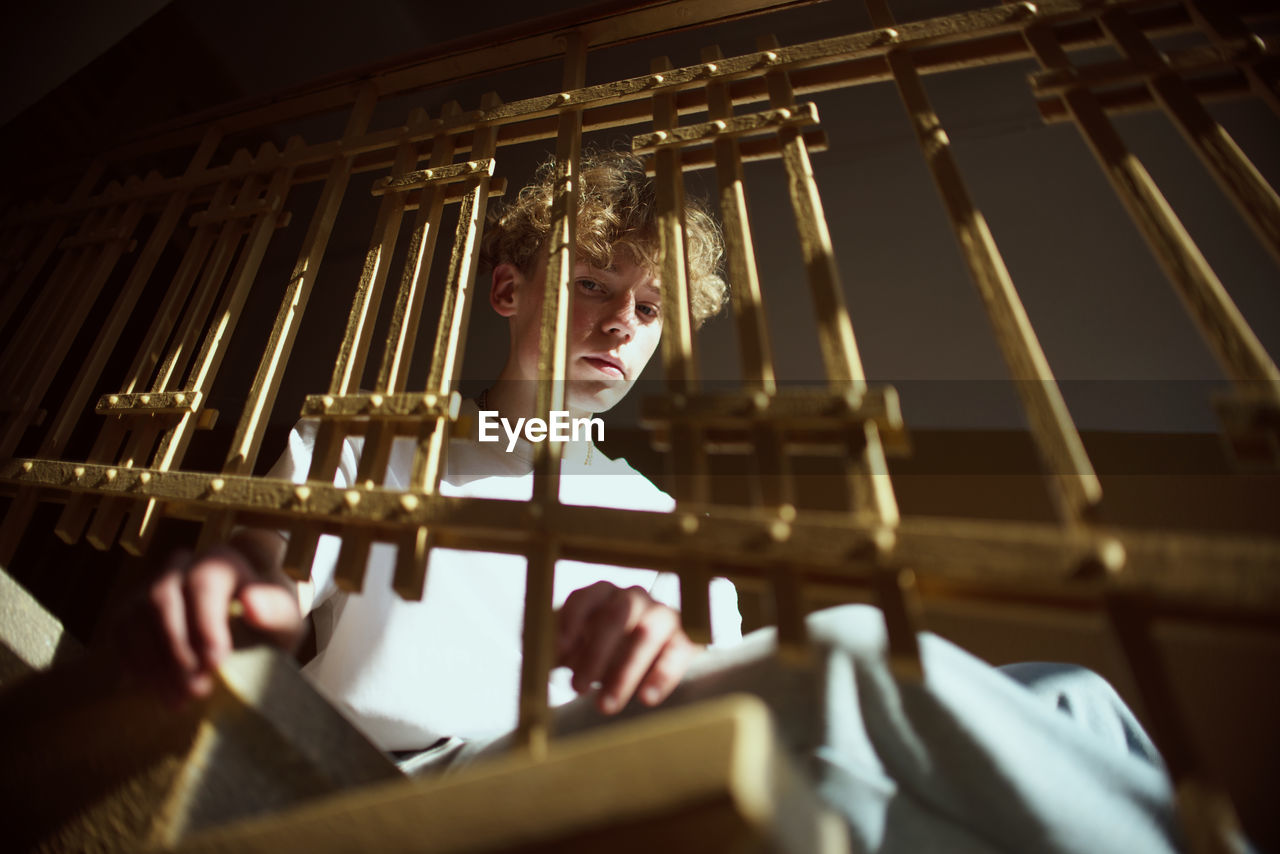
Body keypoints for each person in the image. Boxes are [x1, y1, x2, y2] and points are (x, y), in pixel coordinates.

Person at [115, 151, 1190, 852]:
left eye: (646, 305)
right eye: (590, 283)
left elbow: (716, 688)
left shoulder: (660, 513)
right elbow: (266, 560)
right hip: (419, 778)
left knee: (1073, 699)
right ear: (509, 289)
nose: (619, 323)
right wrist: (234, 578)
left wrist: (657, 630)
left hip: (605, 758)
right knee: (856, 655)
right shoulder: (374, 441)